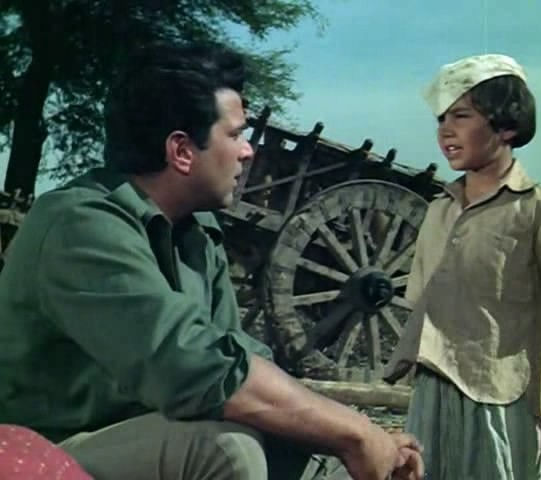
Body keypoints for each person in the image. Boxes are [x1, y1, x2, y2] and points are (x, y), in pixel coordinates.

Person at [0, 41, 423, 480]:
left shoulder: (196, 232)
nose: (248, 151)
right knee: (225, 449)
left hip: (146, 432)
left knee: (322, 454)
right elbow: (193, 368)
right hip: (43, 452)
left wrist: (362, 436)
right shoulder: (79, 226)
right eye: (236, 134)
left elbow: (237, 354)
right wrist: (354, 432)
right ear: (181, 151)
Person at [384, 53, 541, 479]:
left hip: (501, 394)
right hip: (434, 388)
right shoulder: (439, 210)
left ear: (507, 127)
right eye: (441, 118)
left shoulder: (540, 209)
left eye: (462, 116)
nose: (446, 130)